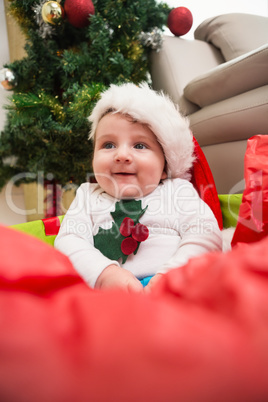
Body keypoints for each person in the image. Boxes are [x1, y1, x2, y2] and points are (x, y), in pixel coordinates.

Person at [55, 83, 222, 292]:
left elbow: (206, 235)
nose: (121, 155)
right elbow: (69, 240)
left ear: (165, 165)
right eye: (108, 145)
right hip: (106, 292)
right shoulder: (88, 195)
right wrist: (104, 273)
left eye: (140, 145)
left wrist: (173, 276)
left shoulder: (177, 191)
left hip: (174, 287)